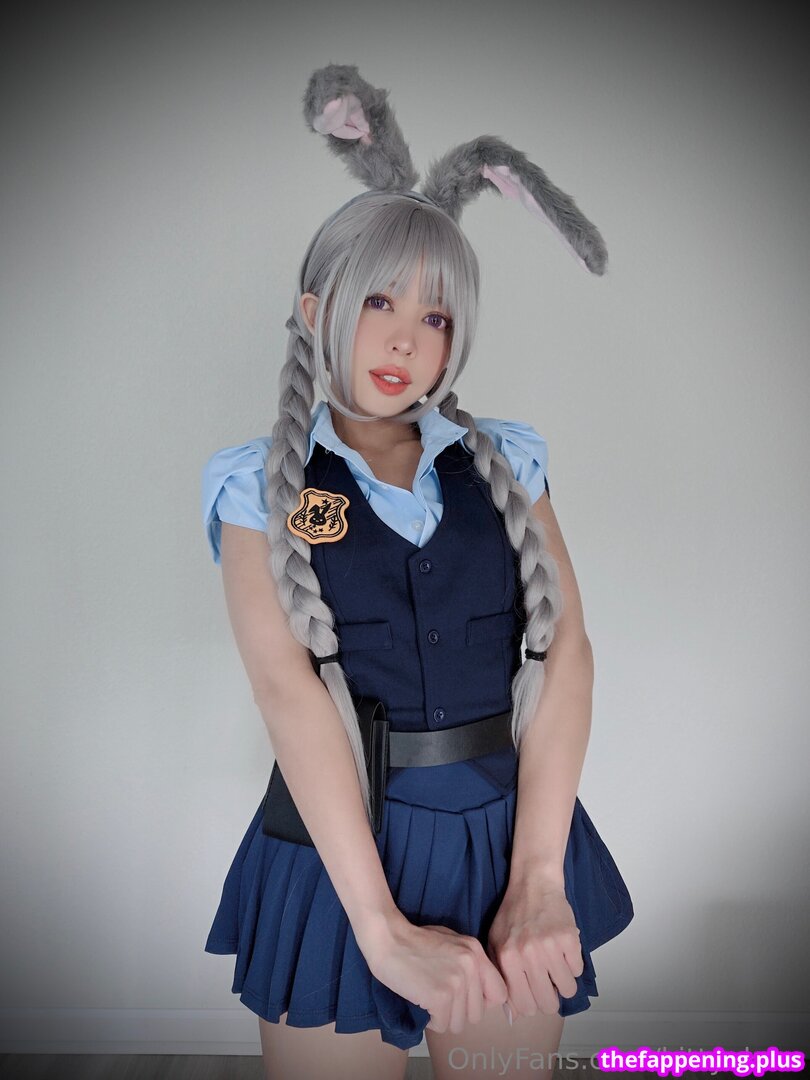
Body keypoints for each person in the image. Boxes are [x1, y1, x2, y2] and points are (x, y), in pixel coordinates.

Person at [201, 64, 633, 1080]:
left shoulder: (507, 460)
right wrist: (381, 928)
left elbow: (567, 652)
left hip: (504, 841)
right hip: (334, 860)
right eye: (379, 299)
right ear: (317, 307)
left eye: (436, 316)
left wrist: (537, 876)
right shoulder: (254, 483)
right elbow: (288, 692)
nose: (405, 336)